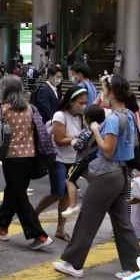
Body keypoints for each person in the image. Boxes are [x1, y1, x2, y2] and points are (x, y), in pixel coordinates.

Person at [53, 75, 140, 279]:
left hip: (106, 174)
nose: (101, 93)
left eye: (103, 89)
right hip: (122, 172)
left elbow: (108, 150)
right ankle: (134, 268)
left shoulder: (113, 119)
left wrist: (95, 130)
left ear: (112, 93)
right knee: (122, 222)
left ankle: (73, 263)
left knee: (88, 219)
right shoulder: (128, 115)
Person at [0, 75, 54, 249]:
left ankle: (39, 235)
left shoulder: (3, 110)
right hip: (30, 156)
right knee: (14, 191)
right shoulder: (30, 109)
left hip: (11, 158)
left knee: (19, 196)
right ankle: (1, 226)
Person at [35, 86, 88, 242]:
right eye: (80, 103)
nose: (83, 106)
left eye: (85, 103)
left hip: (73, 160)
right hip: (58, 159)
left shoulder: (81, 117)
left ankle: (60, 229)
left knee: (65, 195)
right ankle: (33, 214)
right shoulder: (60, 115)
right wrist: (76, 140)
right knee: (58, 192)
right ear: (71, 102)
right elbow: (59, 140)